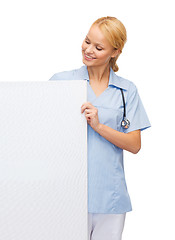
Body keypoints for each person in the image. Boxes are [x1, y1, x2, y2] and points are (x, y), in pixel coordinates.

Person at [49, 16, 151, 240]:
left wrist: (98, 126)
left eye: (98, 47)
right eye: (87, 41)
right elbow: (43, 134)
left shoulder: (126, 90)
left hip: (110, 198)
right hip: (67, 194)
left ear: (115, 52)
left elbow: (134, 145)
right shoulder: (61, 83)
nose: (88, 50)